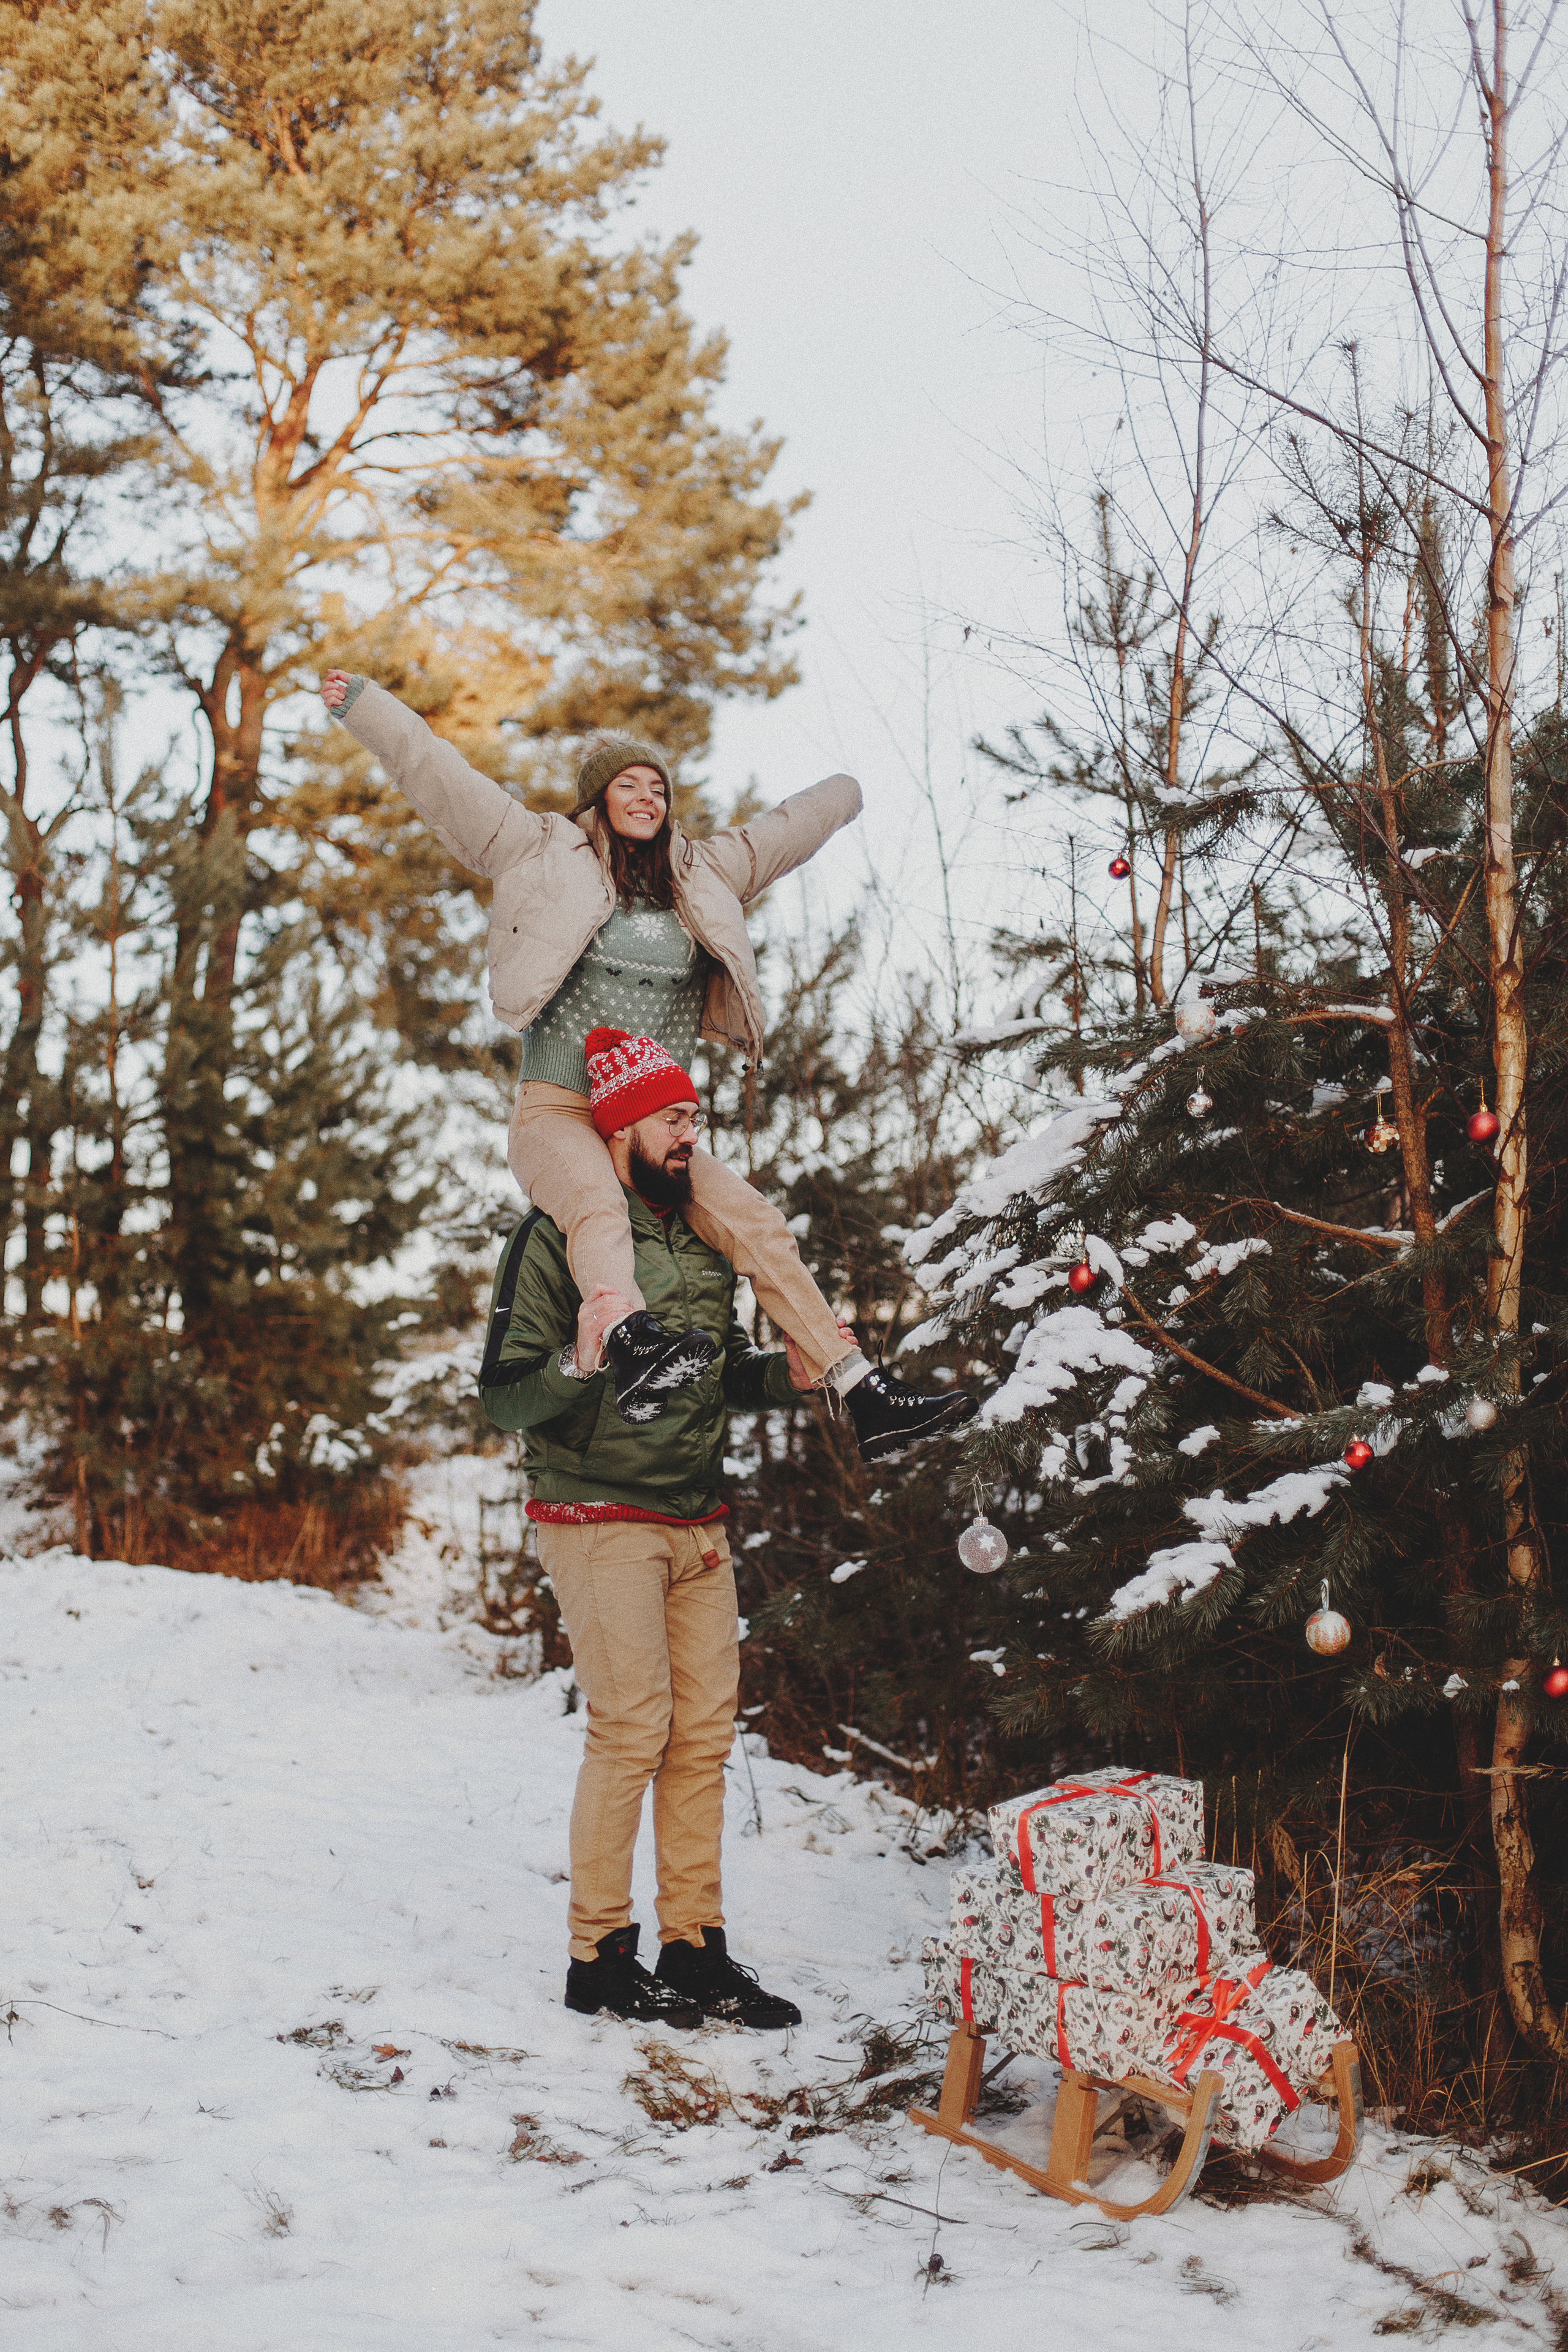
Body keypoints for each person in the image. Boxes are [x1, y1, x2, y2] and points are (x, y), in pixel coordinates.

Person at [320, 669, 974, 1462]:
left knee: (758, 1227)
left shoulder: (704, 871)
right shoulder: (533, 845)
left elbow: (785, 828)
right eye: (628, 784)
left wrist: (849, 792)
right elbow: (437, 772)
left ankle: (862, 1391)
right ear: (598, 799)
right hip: (559, 1109)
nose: (647, 797)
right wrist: (365, 705)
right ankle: (633, 1344)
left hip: (655, 1128)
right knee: (598, 1209)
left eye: (658, 787)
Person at [478, 1031, 870, 2027]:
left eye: (696, 1115)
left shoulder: (701, 1234)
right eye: (673, 1117)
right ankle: (600, 1958)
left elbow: (723, 1373)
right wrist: (579, 1359)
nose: (692, 1132)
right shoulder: (559, 1234)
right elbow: (505, 1397)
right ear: (619, 1130)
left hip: (698, 1517)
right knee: (631, 1732)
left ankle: (695, 1948)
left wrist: (792, 1373)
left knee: (702, 1739)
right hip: (598, 1511)